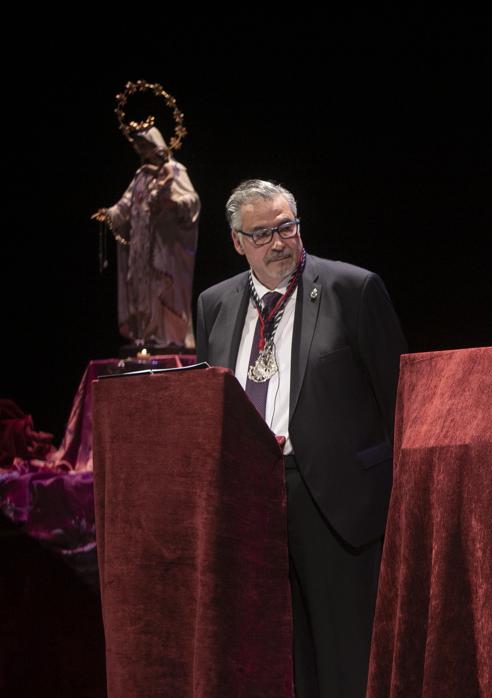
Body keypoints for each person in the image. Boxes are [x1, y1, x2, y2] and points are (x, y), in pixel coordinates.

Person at [195, 179, 405, 697]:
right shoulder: (214, 304)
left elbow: (402, 400)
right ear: (237, 241)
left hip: (338, 502)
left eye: (286, 226)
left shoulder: (352, 289)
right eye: (262, 233)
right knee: (274, 654)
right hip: (250, 501)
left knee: (347, 658)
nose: (278, 242)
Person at [94, 126, 200, 348]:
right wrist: (110, 214)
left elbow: (192, 200)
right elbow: (126, 205)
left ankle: (168, 337)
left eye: (145, 146)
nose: (142, 151)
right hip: (142, 245)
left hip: (165, 245)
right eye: (139, 147)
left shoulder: (174, 170)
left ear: (157, 146)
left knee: (164, 286)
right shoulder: (141, 177)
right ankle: (146, 335)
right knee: (143, 288)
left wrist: (174, 204)